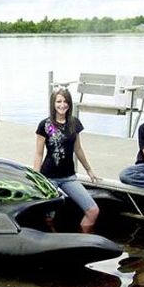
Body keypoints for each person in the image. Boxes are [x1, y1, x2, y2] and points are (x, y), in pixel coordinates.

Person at [34, 87, 99, 233]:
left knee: (93, 211)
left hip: (69, 177)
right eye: (58, 101)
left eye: (65, 101)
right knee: (48, 217)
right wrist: (36, 178)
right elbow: (38, 154)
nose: (62, 105)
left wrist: (89, 170)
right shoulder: (44, 125)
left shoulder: (74, 123)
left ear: (69, 104)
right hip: (48, 177)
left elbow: (78, 149)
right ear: (53, 104)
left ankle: (84, 240)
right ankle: (52, 239)